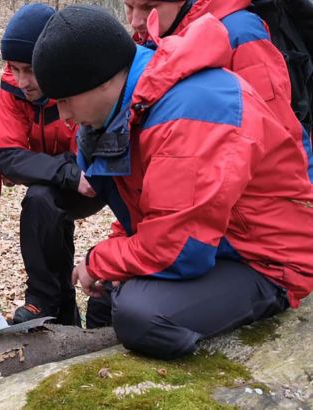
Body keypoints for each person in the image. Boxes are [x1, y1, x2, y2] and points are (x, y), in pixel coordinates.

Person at [32, 5, 313, 359]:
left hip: (268, 258)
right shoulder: (138, 102)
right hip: (224, 240)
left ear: (103, 79)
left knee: (141, 314)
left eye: (65, 100)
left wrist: (98, 259)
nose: (64, 116)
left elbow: (179, 250)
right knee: (111, 302)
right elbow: (153, 206)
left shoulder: (189, 108)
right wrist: (117, 253)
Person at [0, 3, 104, 326]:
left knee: (43, 197)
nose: (22, 80)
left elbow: (85, 157)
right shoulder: (11, 88)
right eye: (14, 68)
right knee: (40, 199)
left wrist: (51, 169)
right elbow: (7, 155)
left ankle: (86, 299)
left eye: (29, 69)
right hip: (61, 180)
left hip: (95, 180)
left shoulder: (76, 82)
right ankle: (49, 303)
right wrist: (64, 172)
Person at [122, 0, 312, 176]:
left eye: (148, 7)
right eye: (129, 7)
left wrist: (304, 193)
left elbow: (279, 127)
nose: (135, 21)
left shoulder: (240, 33)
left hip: (244, 186)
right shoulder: (152, 38)